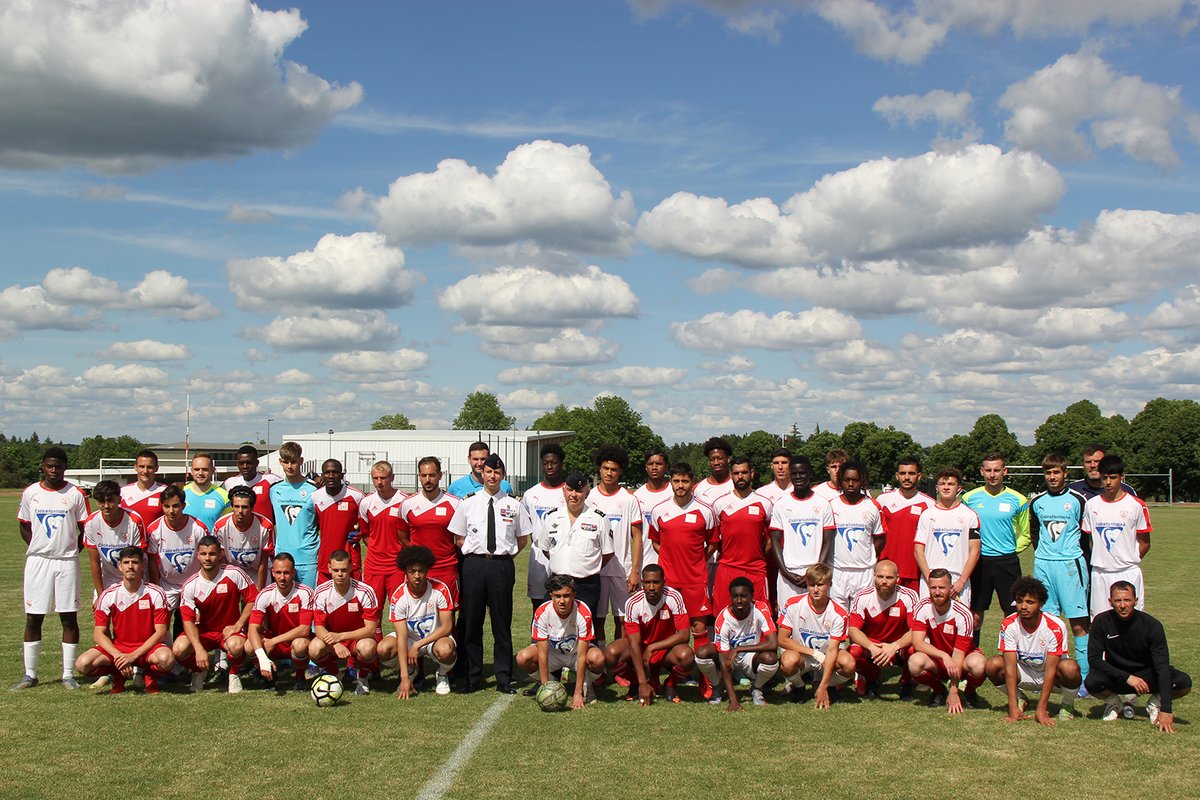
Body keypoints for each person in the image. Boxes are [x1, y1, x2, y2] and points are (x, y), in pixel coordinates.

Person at [13, 446, 90, 690]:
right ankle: (30, 675)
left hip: (66, 562)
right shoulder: (31, 493)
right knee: (34, 617)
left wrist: (71, 550)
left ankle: (68, 674)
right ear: (43, 466)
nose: (53, 470)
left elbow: (85, 528)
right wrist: (39, 546)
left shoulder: (76, 494)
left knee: (68, 616)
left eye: (58, 466)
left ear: (65, 467)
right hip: (38, 561)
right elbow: (24, 525)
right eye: (49, 465)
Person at [449, 453, 525, 693]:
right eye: (489, 472)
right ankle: (473, 677)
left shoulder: (513, 504)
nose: (493, 476)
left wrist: (503, 557)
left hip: (501, 566)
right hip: (474, 566)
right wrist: (477, 554)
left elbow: (522, 539)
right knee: (472, 622)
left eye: (498, 472)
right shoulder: (468, 502)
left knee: (501, 623)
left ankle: (503, 677)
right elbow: (458, 537)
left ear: (503, 476)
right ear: (482, 473)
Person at [1087, 581, 1191, 732]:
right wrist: (1127, 677)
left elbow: (1161, 666)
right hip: (1119, 676)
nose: (1123, 605)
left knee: (1183, 682)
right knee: (1092, 682)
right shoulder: (1101, 622)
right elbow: (1094, 659)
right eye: (1118, 600)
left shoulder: (1152, 625)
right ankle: (1114, 704)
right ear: (1110, 602)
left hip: (1147, 677)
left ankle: (1155, 704)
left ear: (1136, 600)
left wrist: (1167, 709)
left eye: (1127, 600)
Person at [75, 547, 174, 694]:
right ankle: (117, 673)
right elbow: (98, 634)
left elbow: (160, 633)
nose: (130, 566)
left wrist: (133, 656)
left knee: (167, 660)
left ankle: (149, 674)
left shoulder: (156, 593)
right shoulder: (109, 594)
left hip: (147, 649)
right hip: (119, 648)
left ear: (142, 566)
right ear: (120, 567)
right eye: (126, 562)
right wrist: (118, 656)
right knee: (82, 664)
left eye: (135, 562)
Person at [1029, 453, 1091, 685]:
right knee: (1049, 623)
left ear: (1065, 473)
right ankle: (1054, 675)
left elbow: (1086, 535)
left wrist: (1070, 555)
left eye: (1056, 472)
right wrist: (1044, 554)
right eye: (1048, 473)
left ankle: (1084, 678)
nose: (1052, 477)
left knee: (1078, 623)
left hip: (1070, 566)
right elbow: (1035, 532)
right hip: (1044, 565)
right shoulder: (1037, 502)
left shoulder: (1078, 500)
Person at [648, 463, 718, 667]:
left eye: (685, 481)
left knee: (698, 626)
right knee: (670, 626)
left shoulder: (705, 510)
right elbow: (655, 541)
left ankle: (702, 673)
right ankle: (676, 668)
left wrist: (696, 559)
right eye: (677, 481)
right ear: (670, 482)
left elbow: (713, 542)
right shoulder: (659, 509)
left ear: (692, 482)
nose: (681, 485)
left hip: (695, 579)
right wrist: (670, 557)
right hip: (668, 580)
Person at [985, 576, 1081, 725]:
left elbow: (1051, 670)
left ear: (1041, 604)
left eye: (1030, 602)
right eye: (1019, 601)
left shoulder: (1055, 626)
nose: (1023, 606)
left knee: (1070, 667)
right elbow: (1010, 669)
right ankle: (1019, 699)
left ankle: (1067, 704)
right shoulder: (1009, 624)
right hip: (1024, 673)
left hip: (1052, 677)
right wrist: (1012, 709)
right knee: (993, 664)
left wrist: (1041, 709)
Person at [173, 535, 257, 694]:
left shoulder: (234, 573)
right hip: (203, 632)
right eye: (203, 554)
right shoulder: (191, 585)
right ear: (197, 556)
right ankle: (199, 671)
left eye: (212, 554)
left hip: (229, 631)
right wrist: (198, 648)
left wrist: (238, 625)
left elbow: (253, 599)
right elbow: (188, 621)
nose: (208, 558)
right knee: (178, 649)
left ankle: (234, 674)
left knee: (237, 646)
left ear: (220, 554)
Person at [604, 564, 695, 704]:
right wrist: (642, 683)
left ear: (664, 582)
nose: (651, 587)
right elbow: (634, 643)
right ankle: (635, 683)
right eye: (647, 582)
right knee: (610, 653)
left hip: (665, 649)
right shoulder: (633, 603)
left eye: (656, 582)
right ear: (642, 583)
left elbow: (684, 635)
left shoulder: (673, 596)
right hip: (640, 648)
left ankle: (670, 684)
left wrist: (653, 647)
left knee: (687, 656)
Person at [963, 453, 1030, 641]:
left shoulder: (1019, 499)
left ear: (1005, 472)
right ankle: (972, 658)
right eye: (989, 470)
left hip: (1007, 562)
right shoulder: (969, 498)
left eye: (997, 470)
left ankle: (1010, 661)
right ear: (982, 472)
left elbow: (1026, 534)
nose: (992, 474)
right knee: (975, 616)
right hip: (978, 562)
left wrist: (1009, 550)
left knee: (1012, 614)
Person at [378, 545, 457, 699]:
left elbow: (447, 627)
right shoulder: (398, 597)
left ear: (427, 570)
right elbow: (401, 637)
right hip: (408, 639)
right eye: (412, 571)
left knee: (447, 650)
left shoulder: (440, 589)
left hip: (434, 638)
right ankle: (410, 670)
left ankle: (441, 675)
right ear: (405, 573)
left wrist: (418, 645)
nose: (417, 576)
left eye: (421, 570)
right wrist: (404, 678)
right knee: (383, 649)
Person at [518, 574, 606, 708]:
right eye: (558, 596)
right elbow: (542, 653)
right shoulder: (542, 612)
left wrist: (577, 693)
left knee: (598, 658)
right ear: (551, 596)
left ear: (574, 595)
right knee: (523, 658)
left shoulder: (583, 612)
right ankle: (552, 682)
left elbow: (582, 655)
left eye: (566, 595)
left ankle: (585, 684)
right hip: (552, 655)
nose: (562, 601)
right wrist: (545, 687)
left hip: (576, 654)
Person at [908, 569, 987, 712]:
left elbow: (958, 655)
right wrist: (944, 656)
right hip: (939, 660)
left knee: (979, 665)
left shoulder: (963, 614)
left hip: (961, 660)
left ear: (951, 589)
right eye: (933, 587)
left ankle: (969, 691)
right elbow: (918, 643)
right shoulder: (922, 607)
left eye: (942, 588)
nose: (937, 592)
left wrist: (954, 691)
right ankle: (939, 690)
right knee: (914, 662)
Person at [777, 564, 855, 708]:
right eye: (811, 585)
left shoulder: (839, 613)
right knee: (787, 661)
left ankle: (828, 686)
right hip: (802, 655)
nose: (816, 590)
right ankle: (799, 687)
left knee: (849, 663)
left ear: (829, 585)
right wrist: (813, 653)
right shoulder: (793, 604)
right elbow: (781, 639)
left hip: (827, 657)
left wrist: (824, 685)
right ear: (806, 584)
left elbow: (832, 650)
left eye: (820, 585)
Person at [1082, 454, 1152, 616]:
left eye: (1112, 477)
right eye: (1104, 477)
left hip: (1127, 572)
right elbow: (1091, 540)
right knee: (1100, 622)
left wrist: (1127, 559)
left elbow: (1145, 542)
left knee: (1132, 623)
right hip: (1100, 573)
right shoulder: (1091, 505)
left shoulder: (1136, 505)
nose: (1108, 482)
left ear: (1122, 477)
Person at [535, 471, 612, 616]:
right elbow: (546, 549)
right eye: (570, 490)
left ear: (587, 493)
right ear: (564, 491)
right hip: (557, 583)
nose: (574, 495)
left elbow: (608, 553)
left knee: (586, 630)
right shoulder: (552, 517)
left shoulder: (599, 518)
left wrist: (588, 567)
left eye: (579, 491)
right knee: (551, 627)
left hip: (586, 585)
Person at [587, 445, 643, 644]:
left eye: (614, 469)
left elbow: (637, 537)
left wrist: (635, 570)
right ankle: (601, 659)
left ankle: (620, 662)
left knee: (623, 618)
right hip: (597, 569)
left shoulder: (629, 499)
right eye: (605, 468)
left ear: (620, 471)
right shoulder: (590, 497)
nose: (609, 473)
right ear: (599, 470)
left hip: (622, 570)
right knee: (597, 618)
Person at [697, 577, 779, 710]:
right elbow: (723, 659)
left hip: (751, 657)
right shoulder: (724, 618)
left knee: (771, 659)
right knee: (702, 653)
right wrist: (733, 699)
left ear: (751, 596)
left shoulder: (760, 609)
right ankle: (717, 686)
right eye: (735, 596)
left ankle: (756, 688)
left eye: (743, 596)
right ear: (730, 597)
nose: (739, 600)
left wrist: (739, 649)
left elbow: (773, 643)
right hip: (729, 658)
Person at [311, 549, 381, 695]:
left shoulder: (365, 591)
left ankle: (362, 680)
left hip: (357, 640)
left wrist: (340, 637)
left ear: (350, 567)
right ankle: (337, 675)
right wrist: (335, 643)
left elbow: (370, 629)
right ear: (329, 569)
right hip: (333, 641)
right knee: (314, 648)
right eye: (336, 570)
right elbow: (319, 629)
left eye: (343, 570)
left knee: (368, 647)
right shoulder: (321, 592)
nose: (340, 574)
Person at [768, 456, 835, 607]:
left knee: (815, 619)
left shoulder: (823, 504)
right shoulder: (781, 504)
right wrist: (785, 572)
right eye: (794, 473)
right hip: (789, 574)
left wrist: (815, 573)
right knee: (787, 623)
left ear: (810, 474)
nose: (798, 477)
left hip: (815, 576)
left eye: (802, 473)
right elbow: (775, 542)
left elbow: (828, 541)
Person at [847, 559, 918, 699]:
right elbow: (853, 630)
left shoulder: (909, 596)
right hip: (874, 645)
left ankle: (906, 682)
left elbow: (915, 630)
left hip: (898, 646)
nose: (884, 581)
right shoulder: (863, 596)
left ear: (898, 579)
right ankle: (872, 680)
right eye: (880, 577)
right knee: (853, 652)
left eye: (889, 577)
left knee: (916, 649)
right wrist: (872, 647)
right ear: (874, 576)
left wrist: (894, 646)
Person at [710, 457, 771, 614]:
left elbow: (770, 540)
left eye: (744, 472)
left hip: (755, 569)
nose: (740, 476)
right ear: (731, 475)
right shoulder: (719, 503)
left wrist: (757, 556)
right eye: (736, 473)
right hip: (727, 568)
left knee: (760, 617)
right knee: (722, 615)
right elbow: (715, 539)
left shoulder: (764, 503)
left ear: (752, 473)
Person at [247, 552, 314, 692]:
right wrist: (262, 657)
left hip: (295, 641)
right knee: (249, 645)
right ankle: (268, 674)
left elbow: (304, 630)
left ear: (293, 572)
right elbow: (252, 629)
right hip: (274, 642)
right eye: (278, 572)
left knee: (300, 644)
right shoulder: (265, 594)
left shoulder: (305, 593)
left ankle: (300, 677)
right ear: (272, 572)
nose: (282, 577)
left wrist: (274, 641)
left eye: (286, 573)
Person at [397, 456, 461, 602]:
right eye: (424, 475)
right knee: (417, 612)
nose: (428, 479)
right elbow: (402, 536)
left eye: (432, 475)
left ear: (440, 475)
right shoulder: (408, 504)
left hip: (446, 568)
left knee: (447, 614)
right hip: (419, 570)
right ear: (419, 476)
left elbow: (460, 537)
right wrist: (418, 555)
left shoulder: (455, 503)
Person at [914, 468, 980, 605]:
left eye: (950, 484)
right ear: (937, 487)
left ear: (959, 488)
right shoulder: (927, 514)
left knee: (958, 623)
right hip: (930, 579)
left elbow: (975, 551)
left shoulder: (970, 515)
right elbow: (918, 550)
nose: (946, 487)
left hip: (958, 581)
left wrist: (961, 581)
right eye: (942, 484)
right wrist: (930, 579)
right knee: (928, 623)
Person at [829, 461, 885, 609]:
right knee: (838, 617)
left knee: (860, 617)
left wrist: (869, 556)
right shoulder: (831, 505)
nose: (851, 484)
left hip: (864, 572)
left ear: (862, 481)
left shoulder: (872, 506)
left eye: (855, 480)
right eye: (847, 480)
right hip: (837, 572)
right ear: (841, 481)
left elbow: (879, 538)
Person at [519, 444, 568, 611]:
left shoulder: (570, 492)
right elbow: (525, 524)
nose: (549, 467)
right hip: (539, 556)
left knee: (564, 602)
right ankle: (537, 637)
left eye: (553, 462)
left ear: (562, 464)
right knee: (538, 604)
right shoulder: (531, 494)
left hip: (564, 554)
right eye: (545, 463)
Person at [145, 485, 206, 620]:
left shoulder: (198, 528)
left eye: (175, 506)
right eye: (167, 506)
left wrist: (203, 583)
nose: (171, 511)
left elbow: (206, 558)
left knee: (195, 623)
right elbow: (152, 562)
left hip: (194, 583)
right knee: (161, 623)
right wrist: (157, 588)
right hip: (167, 585)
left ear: (183, 505)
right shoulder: (154, 530)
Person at [876, 457, 934, 592]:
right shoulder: (883, 500)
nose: (906, 477)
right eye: (903, 473)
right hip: (887, 571)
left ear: (919, 476)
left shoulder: (929, 504)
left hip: (915, 570)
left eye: (911, 473)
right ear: (897, 476)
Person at [83, 479, 147, 597]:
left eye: (110, 500)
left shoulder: (134, 520)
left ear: (119, 499)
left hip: (132, 577)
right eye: (102, 501)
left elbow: (138, 559)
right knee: (101, 613)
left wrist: (134, 591)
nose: (106, 506)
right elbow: (94, 562)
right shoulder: (91, 523)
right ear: (97, 502)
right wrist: (100, 595)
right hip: (107, 579)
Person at [268, 442, 319, 589]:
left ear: (301, 461)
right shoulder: (274, 490)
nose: (290, 466)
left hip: (308, 558)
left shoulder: (313, 490)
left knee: (308, 601)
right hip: (282, 558)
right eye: (286, 462)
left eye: (294, 462)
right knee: (284, 604)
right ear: (280, 462)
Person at [311, 459, 365, 583]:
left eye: (335, 472)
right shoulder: (315, 497)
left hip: (350, 559)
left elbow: (367, 525)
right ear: (322, 475)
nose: (330, 476)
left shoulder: (357, 496)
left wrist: (360, 533)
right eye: (327, 472)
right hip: (326, 560)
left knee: (353, 600)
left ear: (342, 474)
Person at [212, 485, 275, 588]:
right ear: (231, 507)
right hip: (232, 572)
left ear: (252, 507)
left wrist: (260, 590)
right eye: (236, 506)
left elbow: (263, 561)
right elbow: (222, 559)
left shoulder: (265, 526)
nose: (240, 511)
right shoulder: (220, 526)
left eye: (244, 507)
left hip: (256, 572)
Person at [221, 444, 280, 523]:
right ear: (237, 464)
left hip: (265, 533)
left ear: (257, 463)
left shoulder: (272, 480)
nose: (245, 466)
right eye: (241, 463)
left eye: (249, 463)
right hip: (239, 533)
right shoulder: (229, 483)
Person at [632, 448, 670, 568]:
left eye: (659, 464)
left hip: (672, 561)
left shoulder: (674, 493)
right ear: (646, 467)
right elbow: (634, 534)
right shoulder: (637, 496)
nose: (654, 467)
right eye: (650, 464)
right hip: (645, 561)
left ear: (666, 467)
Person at [1069, 444, 1136, 501]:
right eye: (1088, 462)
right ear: (1083, 465)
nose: (1092, 465)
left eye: (1097, 461)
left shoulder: (1126, 490)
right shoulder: (1072, 490)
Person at [447, 441, 513, 498]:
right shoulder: (456, 487)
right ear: (469, 459)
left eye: (483, 459)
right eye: (475, 459)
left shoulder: (504, 486)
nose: (479, 463)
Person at [183, 453, 230, 531]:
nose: (200, 473)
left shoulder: (224, 496)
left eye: (205, 469)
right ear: (191, 471)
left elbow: (228, 526)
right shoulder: (182, 493)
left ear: (212, 470)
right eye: (197, 469)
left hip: (213, 542)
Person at [120, 448, 166, 525]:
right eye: (142, 466)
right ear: (135, 467)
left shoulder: (164, 491)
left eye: (149, 467)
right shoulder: (123, 491)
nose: (145, 471)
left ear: (156, 468)